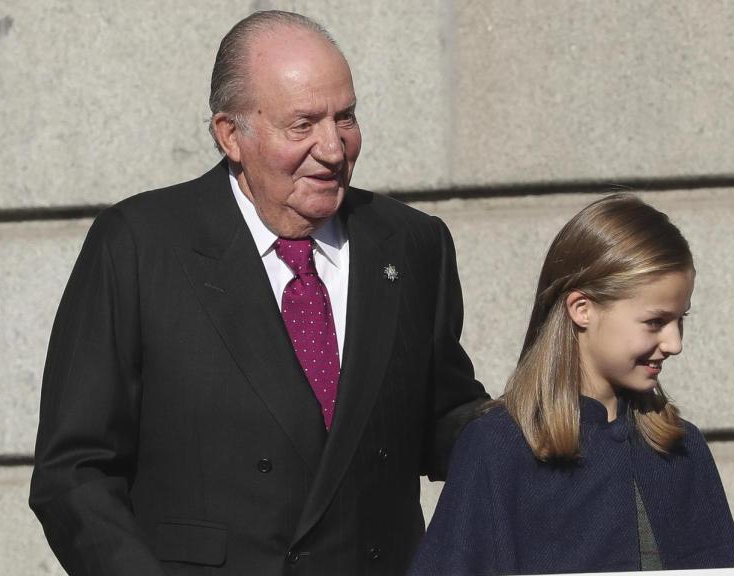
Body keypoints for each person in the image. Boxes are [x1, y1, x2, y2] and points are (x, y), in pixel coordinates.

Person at [29, 10, 487, 576]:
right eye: (303, 124)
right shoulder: (141, 245)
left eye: (345, 117)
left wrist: (551, 417)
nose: (333, 147)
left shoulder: (412, 244)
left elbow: (443, 418)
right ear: (231, 135)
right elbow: (73, 472)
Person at [410, 194, 734, 575]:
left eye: (679, 320)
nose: (674, 344)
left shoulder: (681, 448)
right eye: (655, 322)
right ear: (582, 309)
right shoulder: (497, 447)